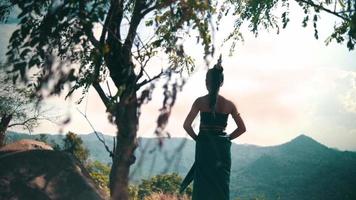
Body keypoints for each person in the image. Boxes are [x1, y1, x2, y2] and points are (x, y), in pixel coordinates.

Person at [180, 56, 246, 200]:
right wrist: (227, 138)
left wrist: (199, 139)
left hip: (204, 148)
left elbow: (187, 125)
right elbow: (242, 128)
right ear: (221, 82)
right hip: (222, 151)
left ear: (206, 83)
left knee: (202, 186)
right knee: (221, 186)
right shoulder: (230, 105)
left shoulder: (199, 102)